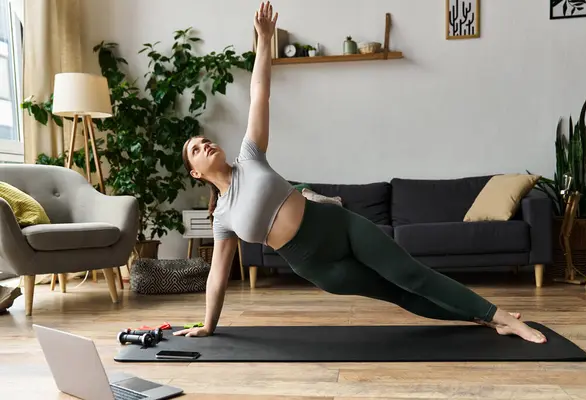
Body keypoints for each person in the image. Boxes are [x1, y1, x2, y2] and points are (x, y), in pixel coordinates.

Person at [175, 1, 547, 344]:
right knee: (400, 296)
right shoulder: (221, 216)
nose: (205, 144)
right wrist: (209, 325)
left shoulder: (250, 155)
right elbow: (217, 274)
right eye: (195, 149)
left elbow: (259, 93)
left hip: (339, 227)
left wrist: (266, 40)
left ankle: (502, 317)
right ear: (195, 173)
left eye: (204, 139)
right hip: (315, 264)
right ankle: (483, 319)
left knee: (411, 275)